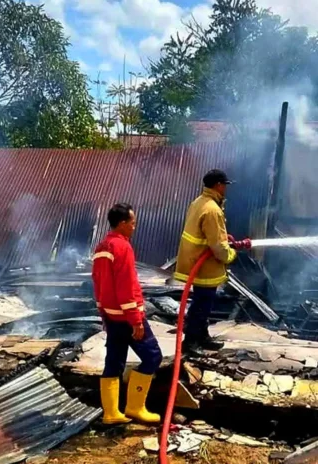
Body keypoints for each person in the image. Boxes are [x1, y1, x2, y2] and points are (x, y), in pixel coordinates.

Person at [92, 203, 163, 425]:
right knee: (153, 356)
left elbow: (98, 284)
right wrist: (136, 321)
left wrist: (103, 314)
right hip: (126, 317)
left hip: (112, 317)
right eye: (132, 223)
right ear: (122, 224)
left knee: (114, 361)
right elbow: (126, 287)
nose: (135, 227)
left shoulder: (102, 247)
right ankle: (135, 407)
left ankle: (111, 413)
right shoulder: (122, 248)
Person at [174, 169, 238, 351]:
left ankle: (202, 337)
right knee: (201, 306)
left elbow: (210, 234)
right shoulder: (213, 210)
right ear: (218, 185)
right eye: (225, 185)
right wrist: (230, 255)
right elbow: (218, 247)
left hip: (196, 261)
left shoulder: (199, 202)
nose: (226, 188)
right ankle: (191, 342)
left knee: (202, 304)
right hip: (204, 267)